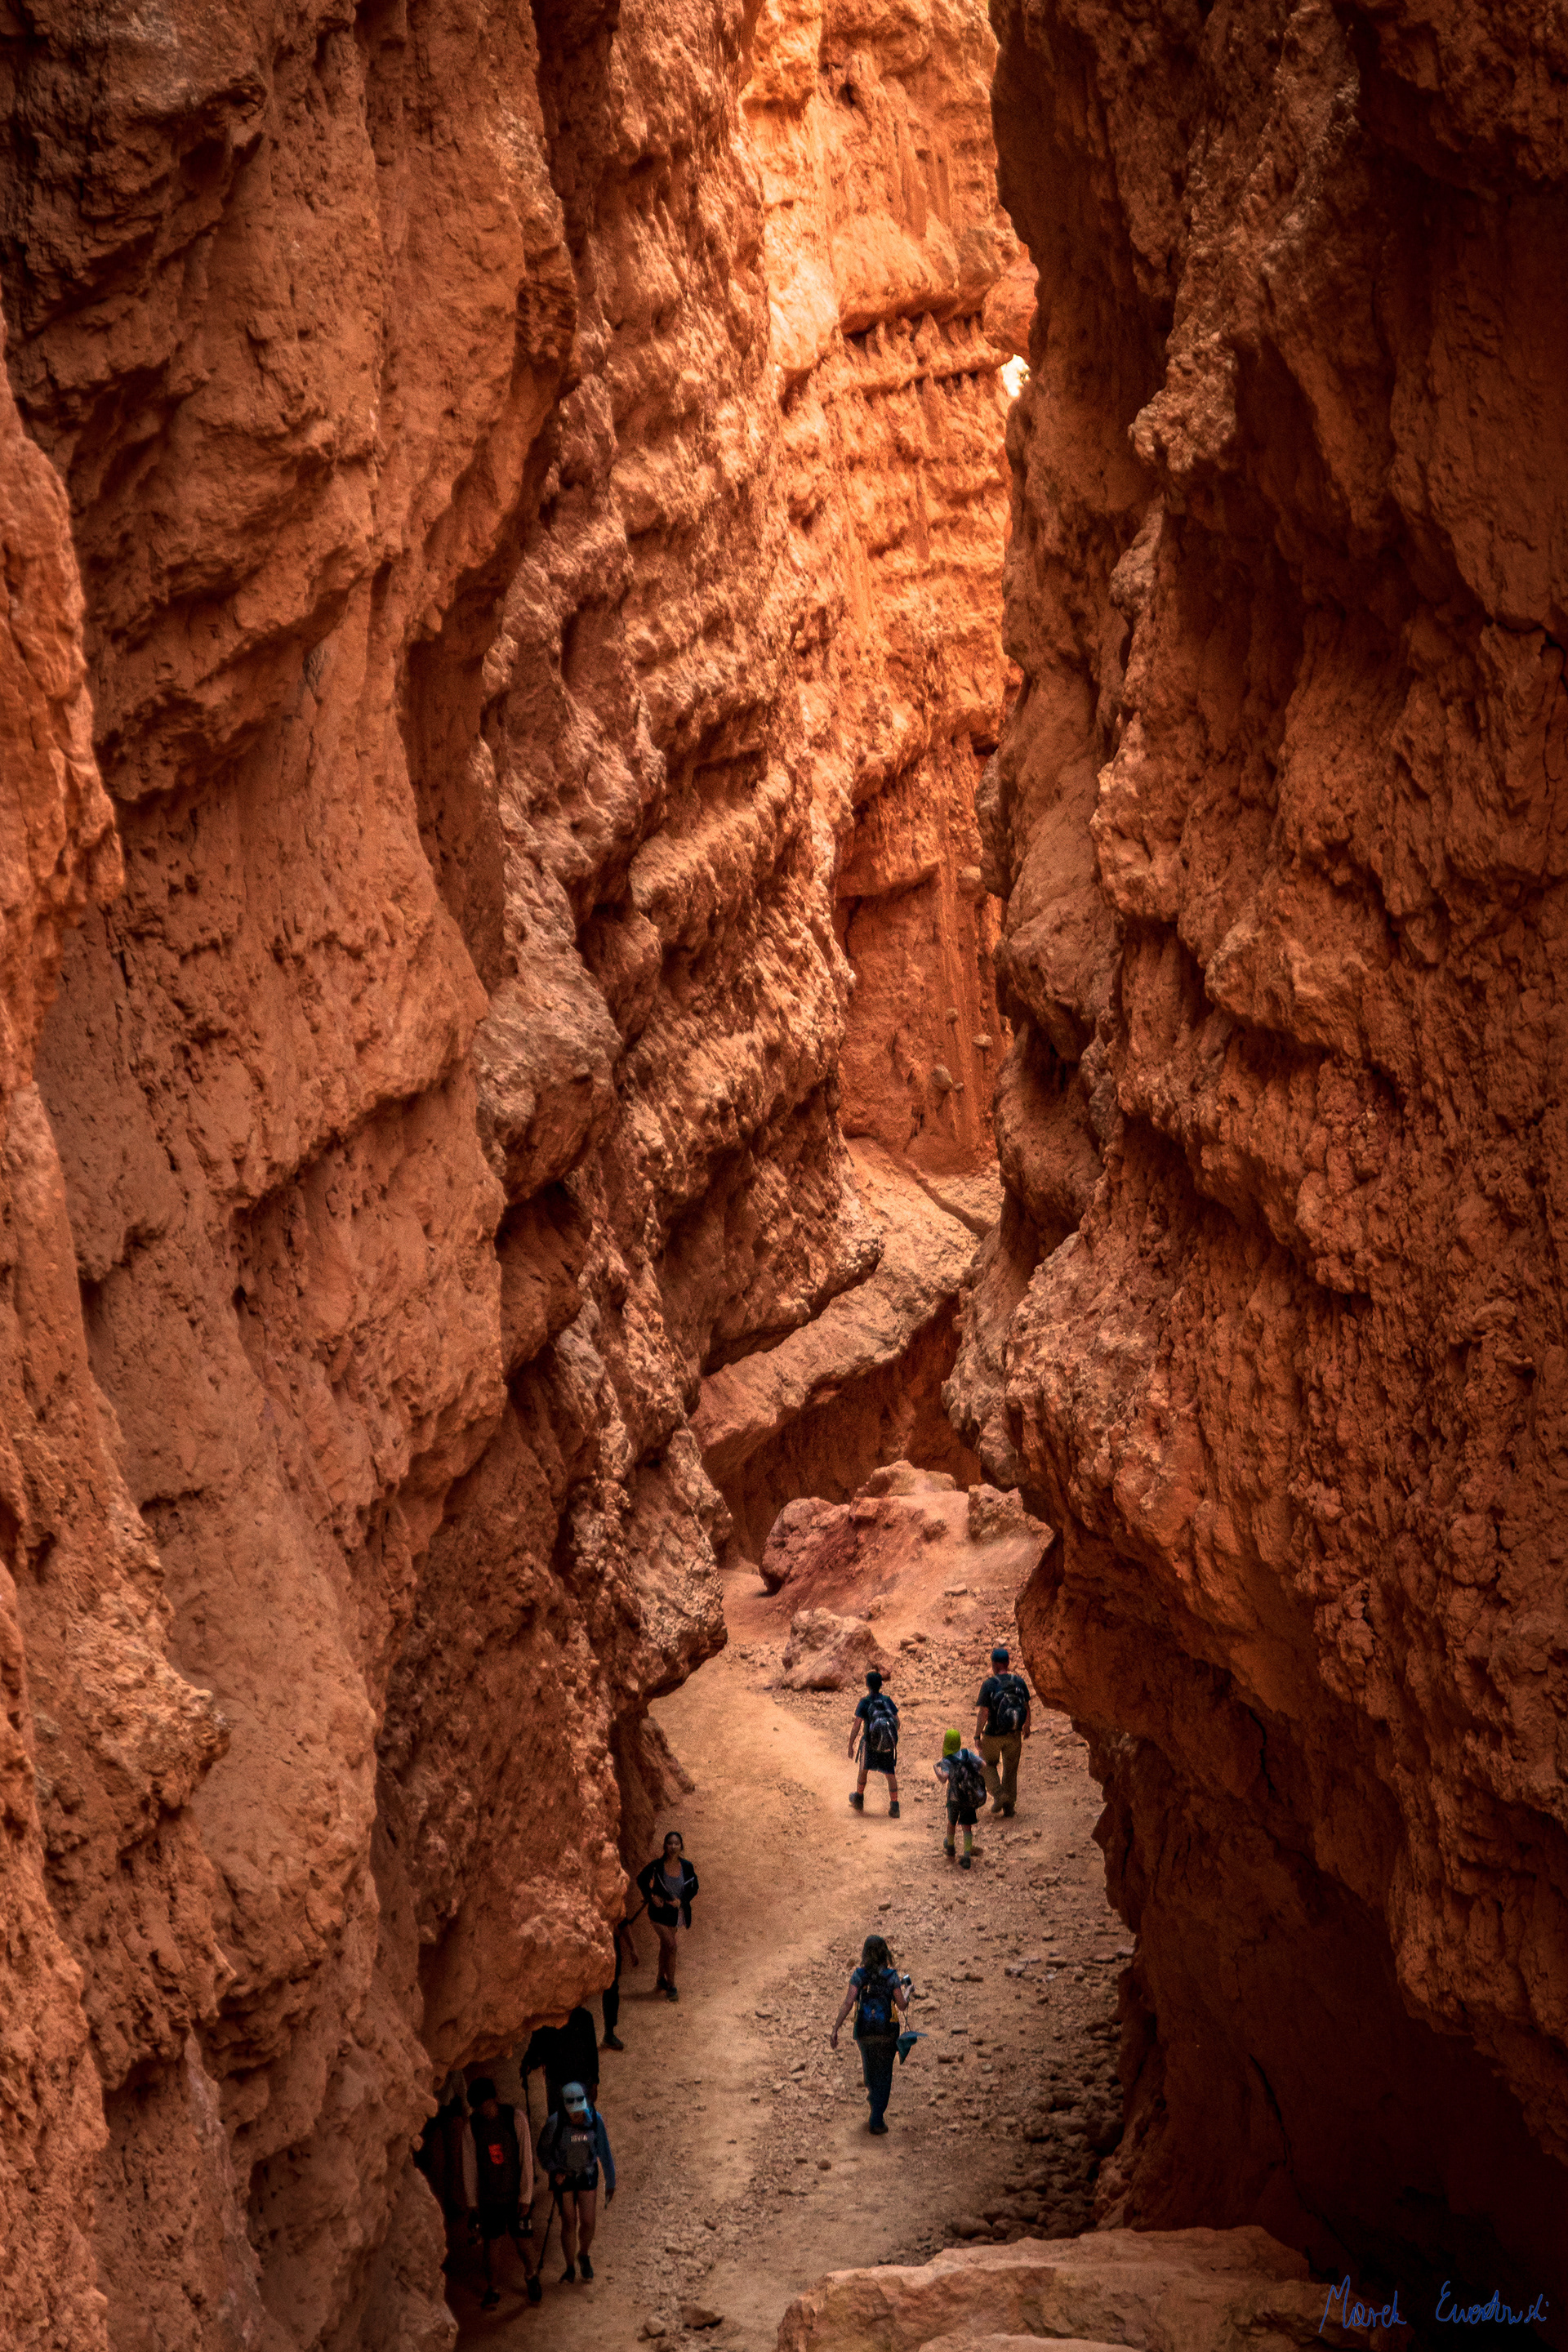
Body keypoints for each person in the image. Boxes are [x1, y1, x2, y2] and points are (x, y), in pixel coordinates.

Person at [461, 2077, 542, 2310]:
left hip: (514, 2194)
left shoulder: (515, 2119)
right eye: (479, 2107)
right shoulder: (472, 2127)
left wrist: (526, 2196)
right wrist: (472, 2202)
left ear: (494, 2099)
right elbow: (470, 2165)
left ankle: (531, 2276)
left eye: (486, 2105)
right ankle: (492, 2288)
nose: (484, 2111)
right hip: (490, 2197)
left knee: (523, 2242)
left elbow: (525, 2159)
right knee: (491, 2245)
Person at [830, 1932, 910, 2135]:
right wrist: (908, 1991)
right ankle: (877, 2118)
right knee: (884, 2075)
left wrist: (835, 2029)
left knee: (870, 2072)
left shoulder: (859, 1976)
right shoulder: (891, 1977)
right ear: (885, 1953)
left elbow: (849, 2002)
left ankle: (873, 2104)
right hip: (887, 2033)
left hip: (864, 2033)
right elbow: (901, 2005)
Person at [537, 2078, 616, 2283]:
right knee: (569, 2222)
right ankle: (570, 2266)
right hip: (564, 2178)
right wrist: (554, 2170)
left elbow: (604, 2152)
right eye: (572, 2110)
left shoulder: (595, 2120)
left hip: (587, 2174)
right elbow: (543, 2151)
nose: (577, 2114)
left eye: (579, 2109)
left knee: (588, 2222)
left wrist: (611, 2181)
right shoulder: (554, 2123)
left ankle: (584, 2254)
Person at [635, 1830, 699, 2001]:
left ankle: (660, 1979)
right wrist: (651, 1897)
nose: (673, 1847)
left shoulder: (687, 1867)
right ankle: (671, 1985)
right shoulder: (657, 1865)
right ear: (665, 1846)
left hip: (674, 1914)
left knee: (665, 1946)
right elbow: (641, 1879)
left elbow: (694, 1887)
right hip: (658, 1913)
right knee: (672, 1945)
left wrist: (682, 1901)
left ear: (681, 1847)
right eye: (669, 1843)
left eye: (676, 1843)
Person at [975, 1643, 1031, 1816]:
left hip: (993, 1734)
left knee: (984, 1764)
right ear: (1007, 1663)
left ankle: (999, 1795)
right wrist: (1026, 1726)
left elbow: (984, 1712)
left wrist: (978, 1735)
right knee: (1010, 1770)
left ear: (995, 1664)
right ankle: (1009, 1807)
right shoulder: (1019, 1681)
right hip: (1014, 1734)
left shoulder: (989, 1685)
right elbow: (1026, 1706)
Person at [523, 2005, 600, 2120]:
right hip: (561, 2080)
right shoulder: (548, 2019)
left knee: (576, 2120)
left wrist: (594, 2081)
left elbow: (592, 2050)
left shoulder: (583, 2017)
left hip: (575, 2079)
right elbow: (537, 2045)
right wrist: (529, 2061)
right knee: (563, 2120)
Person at [847, 1668, 901, 1817]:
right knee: (890, 1774)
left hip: (870, 1744)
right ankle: (895, 1806)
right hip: (887, 1747)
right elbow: (897, 1722)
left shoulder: (864, 1703)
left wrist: (851, 1744)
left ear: (867, 1686)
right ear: (881, 1685)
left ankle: (859, 1798)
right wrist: (888, 1737)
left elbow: (857, 1725)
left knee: (863, 1770)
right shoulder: (888, 1701)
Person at [934, 1726, 985, 1867]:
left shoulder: (946, 1761)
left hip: (954, 1798)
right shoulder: (967, 1754)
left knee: (952, 1823)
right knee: (966, 1826)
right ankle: (967, 1856)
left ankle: (950, 1848)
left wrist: (935, 1769)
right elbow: (983, 1764)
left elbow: (944, 1778)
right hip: (969, 1797)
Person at [602, 1909, 640, 2051]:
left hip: (612, 1946)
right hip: (605, 1946)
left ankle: (609, 2033)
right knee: (610, 1989)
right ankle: (609, 2034)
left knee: (612, 1989)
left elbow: (623, 1921)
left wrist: (633, 1948)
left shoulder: (613, 1899)